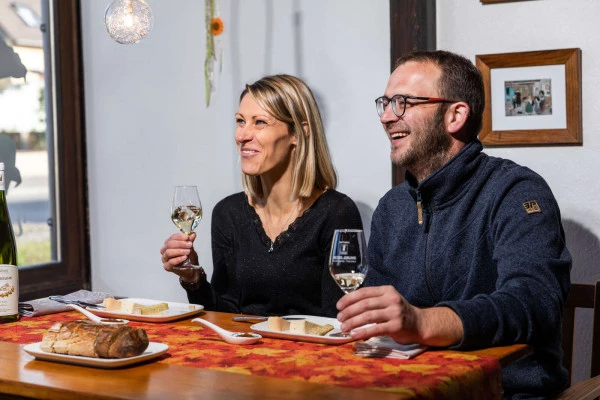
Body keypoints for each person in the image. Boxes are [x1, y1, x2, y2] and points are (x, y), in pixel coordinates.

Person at [336, 51, 571, 399]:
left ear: (455, 115)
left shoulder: (516, 191)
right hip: (413, 388)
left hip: (504, 392)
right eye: (385, 103)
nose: (386, 117)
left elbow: (534, 303)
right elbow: (378, 324)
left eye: (402, 102)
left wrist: (423, 322)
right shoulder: (392, 207)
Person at [160, 74, 362, 317]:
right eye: (240, 121)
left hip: (310, 352)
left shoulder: (336, 212)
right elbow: (226, 316)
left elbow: (339, 321)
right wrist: (193, 277)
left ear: (298, 133)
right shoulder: (228, 213)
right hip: (244, 352)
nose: (242, 135)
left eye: (260, 123)